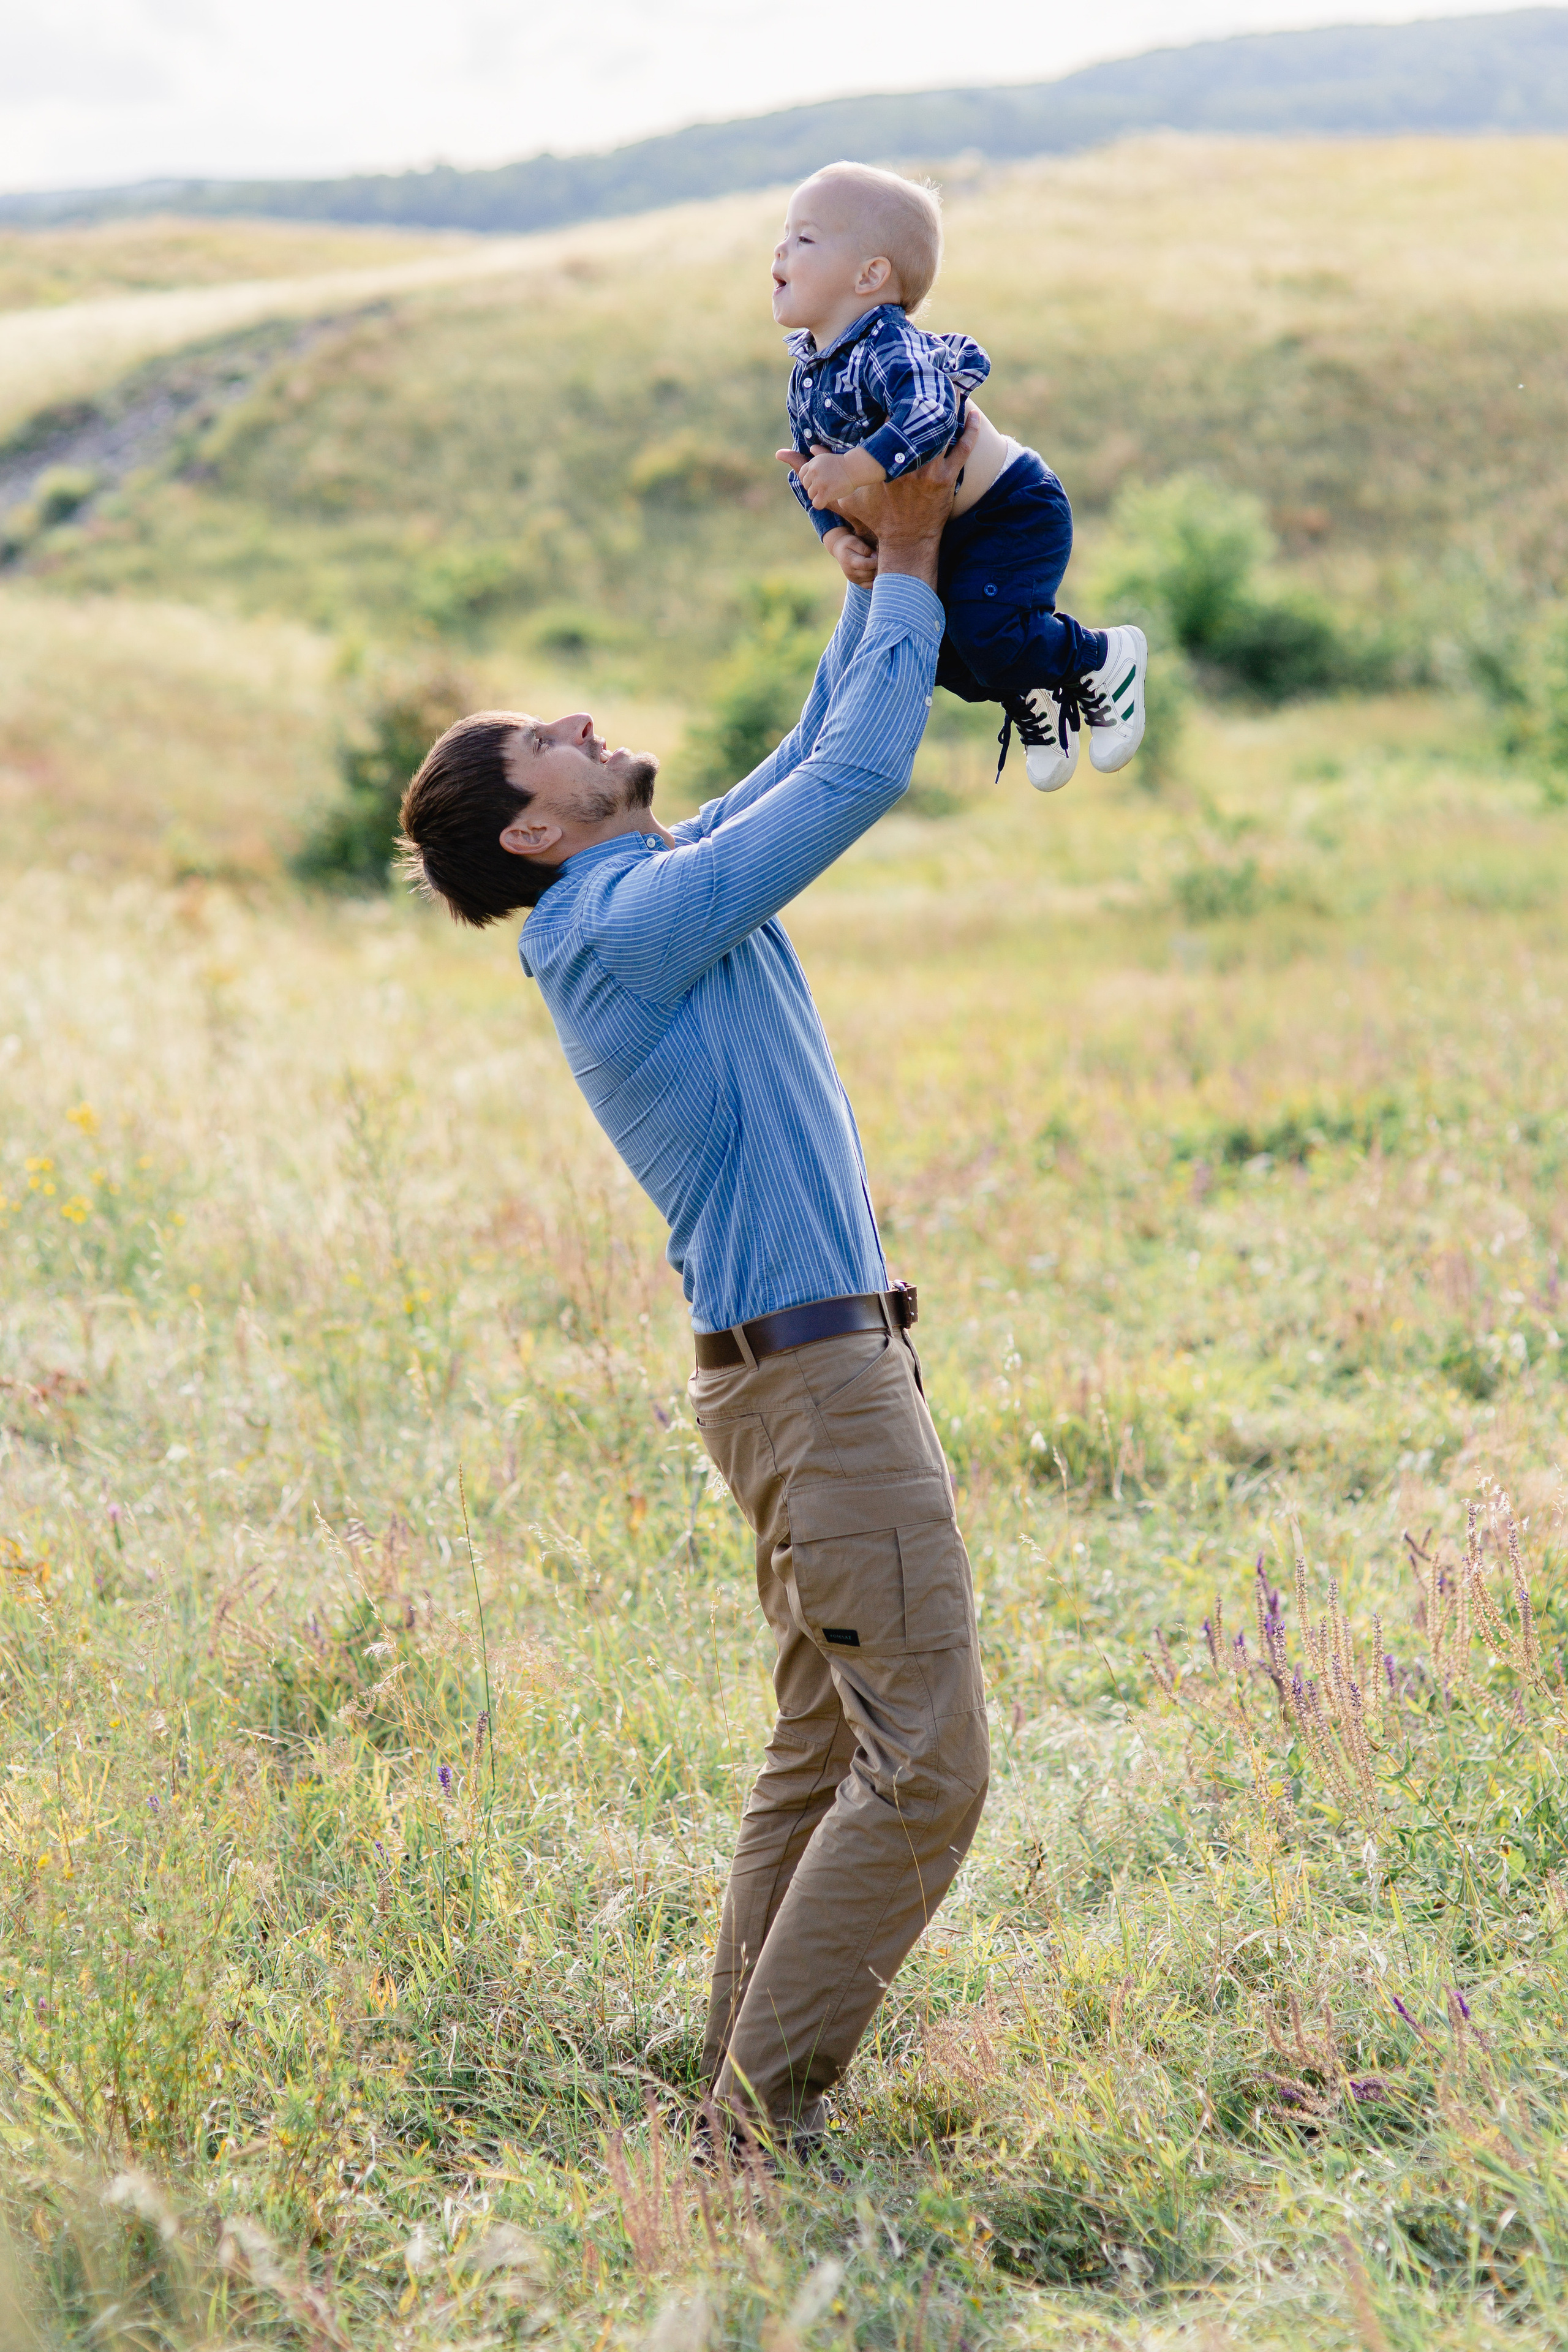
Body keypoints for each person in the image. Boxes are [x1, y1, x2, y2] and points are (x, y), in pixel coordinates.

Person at [397, 428, 989, 2158]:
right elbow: (863, 777)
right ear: (532, 823)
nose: (584, 721)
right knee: (927, 1771)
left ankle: (732, 2092)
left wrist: (878, 573)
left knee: (824, 1756)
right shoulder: (619, 929)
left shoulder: (637, 900)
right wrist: (920, 545)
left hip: (799, 1375)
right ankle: (754, 2127)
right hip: (816, 1390)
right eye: (550, 740)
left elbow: (814, 750)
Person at [774, 158, 1147, 792]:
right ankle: (1035, 689)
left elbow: (929, 414)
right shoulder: (811, 375)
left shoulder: (889, 342)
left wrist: (855, 467)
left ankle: (1101, 655)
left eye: (804, 238)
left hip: (1009, 508)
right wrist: (833, 535)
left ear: (870, 275)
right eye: (783, 234)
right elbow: (809, 471)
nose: (780, 249)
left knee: (986, 631)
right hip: (945, 529)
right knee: (935, 650)